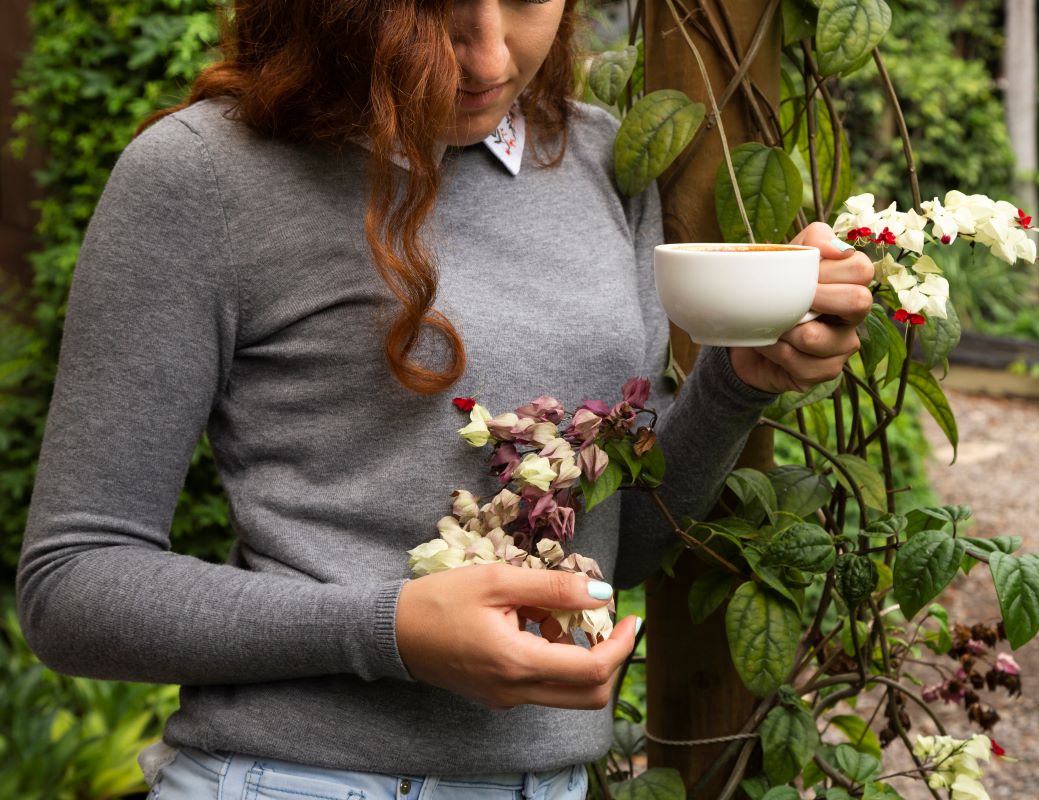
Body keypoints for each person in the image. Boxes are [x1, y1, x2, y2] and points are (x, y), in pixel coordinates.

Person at [16, 0, 874, 797]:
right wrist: (388, 629)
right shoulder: (203, 173)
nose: (491, 58)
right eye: (436, 5)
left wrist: (738, 381)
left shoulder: (601, 161)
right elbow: (73, 585)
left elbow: (618, 548)